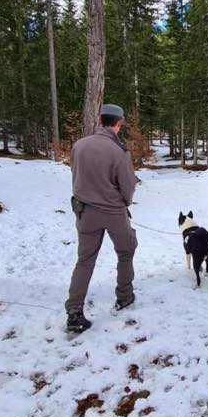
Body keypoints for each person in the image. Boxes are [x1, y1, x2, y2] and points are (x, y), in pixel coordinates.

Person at [65, 104, 138, 333]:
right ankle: (124, 296)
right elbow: (128, 187)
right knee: (126, 252)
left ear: (99, 120)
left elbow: (75, 177)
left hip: (86, 212)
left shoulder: (79, 146)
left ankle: (74, 311)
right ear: (120, 123)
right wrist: (124, 203)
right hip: (114, 212)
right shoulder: (119, 151)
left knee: (84, 261)